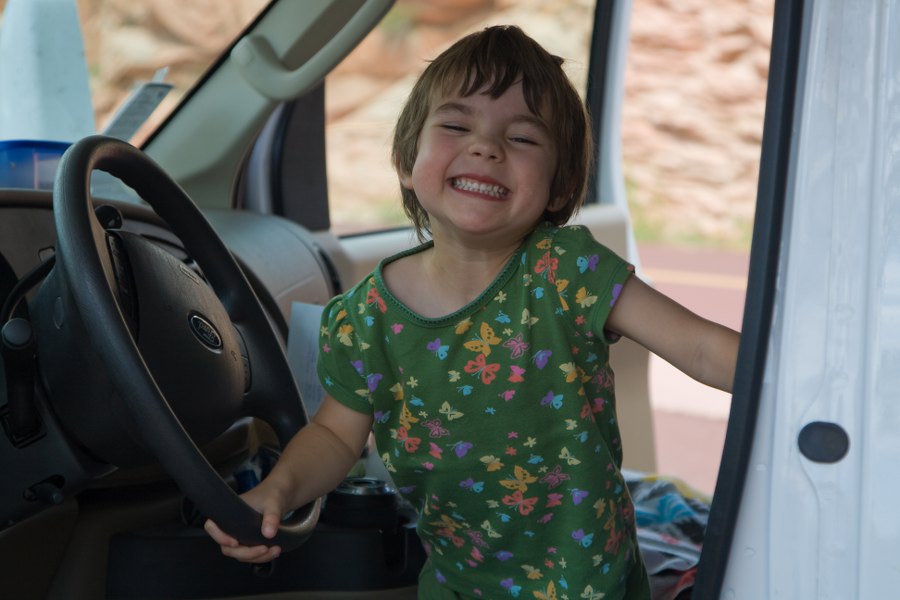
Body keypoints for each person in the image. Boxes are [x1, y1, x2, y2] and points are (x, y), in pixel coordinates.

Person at [205, 24, 739, 600]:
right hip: (457, 585)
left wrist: (812, 383)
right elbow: (336, 436)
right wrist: (281, 489)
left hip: (589, 586)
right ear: (408, 163)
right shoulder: (366, 318)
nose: (486, 147)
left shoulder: (567, 271)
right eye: (457, 126)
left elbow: (703, 348)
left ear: (560, 189)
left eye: (524, 138)